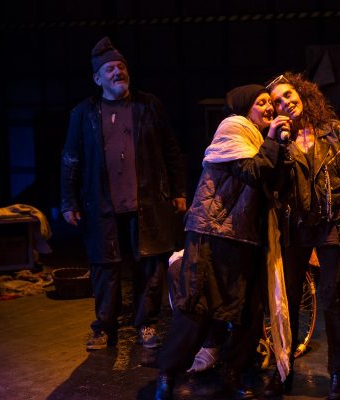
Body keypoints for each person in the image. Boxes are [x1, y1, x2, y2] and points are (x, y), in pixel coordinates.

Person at [155, 84, 289, 400]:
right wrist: (272, 140)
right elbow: (253, 173)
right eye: (261, 102)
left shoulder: (258, 139)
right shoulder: (233, 129)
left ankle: (233, 372)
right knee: (197, 308)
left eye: (270, 103)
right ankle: (168, 373)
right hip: (213, 234)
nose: (269, 107)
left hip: (245, 238)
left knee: (249, 313)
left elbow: (273, 180)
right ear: (244, 105)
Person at [60, 37, 187, 351]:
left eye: (121, 67)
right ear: (97, 78)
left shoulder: (149, 105)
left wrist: (178, 191)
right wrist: (68, 201)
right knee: (105, 268)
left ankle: (146, 323)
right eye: (110, 69)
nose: (118, 72)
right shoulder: (84, 113)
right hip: (101, 204)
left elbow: (171, 150)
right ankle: (104, 328)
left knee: (150, 265)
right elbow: (70, 159)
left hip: (148, 201)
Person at [264, 72, 340, 400]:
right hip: (293, 229)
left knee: (333, 299)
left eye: (288, 95)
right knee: (289, 302)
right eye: (277, 101)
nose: (285, 103)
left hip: (330, 225)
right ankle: (284, 371)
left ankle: (337, 374)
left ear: (302, 94)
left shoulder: (336, 131)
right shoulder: (279, 139)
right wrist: (276, 143)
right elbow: (272, 184)